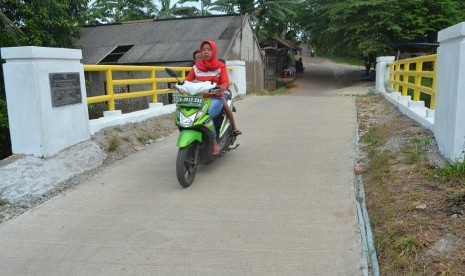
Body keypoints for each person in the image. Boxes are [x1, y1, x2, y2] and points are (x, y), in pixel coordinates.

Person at [185, 40, 241, 155]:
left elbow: (225, 81)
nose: (206, 52)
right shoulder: (196, 67)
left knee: (207, 115)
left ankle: (215, 142)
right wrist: (178, 85)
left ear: (213, 51)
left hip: (215, 98)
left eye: (208, 50)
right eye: (204, 50)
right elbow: (188, 81)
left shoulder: (220, 67)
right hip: (199, 99)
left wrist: (223, 86)